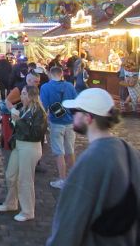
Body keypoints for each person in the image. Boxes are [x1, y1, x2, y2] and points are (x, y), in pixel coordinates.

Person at [47, 88, 140, 245]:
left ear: (88, 117)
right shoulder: (129, 150)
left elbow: (68, 225)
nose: (72, 114)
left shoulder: (91, 161)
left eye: (76, 111)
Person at [0, 86, 47, 221]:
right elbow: (18, 128)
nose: (21, 96)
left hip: (30, 147)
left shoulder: (39, 113)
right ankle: (11, 202)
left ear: (31, 96)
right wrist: (13, 120)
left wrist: (18, 120)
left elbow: (36, 134)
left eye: (24, 94)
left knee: (25, 179)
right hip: (19, 145)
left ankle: (28, 211)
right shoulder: (24, 108)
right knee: (11, 175)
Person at [40, 66, 78, 189]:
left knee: (59, 152)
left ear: (50, 74)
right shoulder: (70, 86)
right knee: (70, 150)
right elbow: (76, 103)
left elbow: (44, 106)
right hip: (70, 122)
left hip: (56, 122)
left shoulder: (45, 87)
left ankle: (62, 180)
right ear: (61, 74)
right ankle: (72, 178)